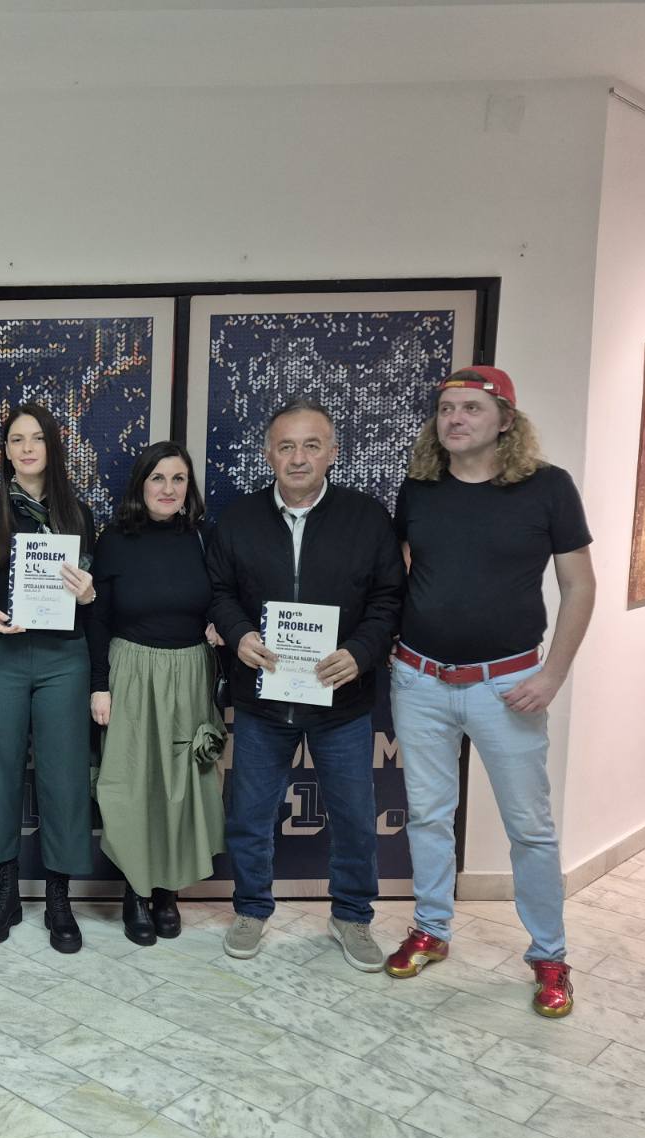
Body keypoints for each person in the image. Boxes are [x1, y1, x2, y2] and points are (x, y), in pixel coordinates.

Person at [384, 366, 594, 1018]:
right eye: (447, 408)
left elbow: (579, 586)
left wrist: (552, 674)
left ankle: (549, 956)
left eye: (472, 408)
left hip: (508, 686)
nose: (455, 419)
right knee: (428, 815)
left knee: (529, 827)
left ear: (506, 420)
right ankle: (431, 928)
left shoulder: (548, 488)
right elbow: (405, 574)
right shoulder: (418, 488)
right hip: (419, 679)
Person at [207, 397, 404, 970]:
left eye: (311, 446)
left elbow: (390, 598)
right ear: (268, 454)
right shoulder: (238, 520)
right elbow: (218, 591)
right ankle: (251, 909)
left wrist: (361, 653)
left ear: (332, 453)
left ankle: (352, 916)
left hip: (341, 701)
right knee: (250, 814)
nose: (298, 458)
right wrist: (238, 634)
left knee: (354, 816)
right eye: (286, 446)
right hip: (263, 700)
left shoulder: (367, 519)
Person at [0, 403, 98, 953]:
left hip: (64, 656)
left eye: (36, 438)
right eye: (16, 440)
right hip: (2, 653)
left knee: (64, 774)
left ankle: (59, 896)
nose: (26, 448)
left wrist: (88, 594)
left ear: (51, 447)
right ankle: (6, 891)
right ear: (5, 451)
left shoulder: (78, 514)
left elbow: (93, 592)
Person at [88, 442, 226, 945]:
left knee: (182, 787)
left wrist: (219, 624)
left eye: (178, 479)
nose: (168, 489)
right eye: (158, 478)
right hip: (131, 672)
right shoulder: (114, 540)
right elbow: (97, 618)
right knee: (133, 785)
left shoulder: (205, 540)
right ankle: (135, 890)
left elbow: (224, 598)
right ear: (140, 484)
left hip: (189, 674)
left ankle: (168, 891)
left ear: (189, 488)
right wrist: (99, 686)